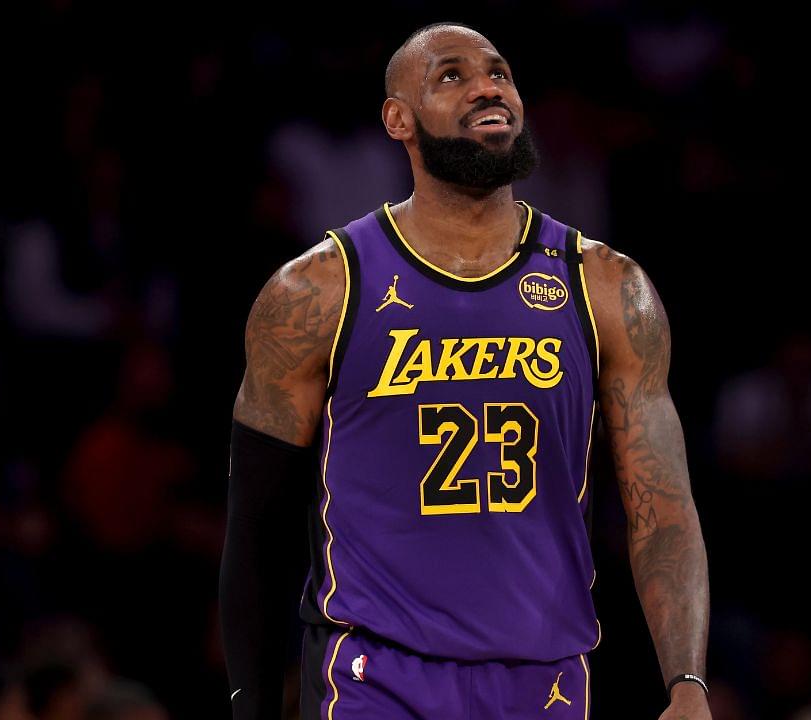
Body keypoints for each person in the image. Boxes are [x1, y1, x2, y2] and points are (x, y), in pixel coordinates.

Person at [217, 20, 711, 720]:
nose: (488, 87)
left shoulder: (606, 287)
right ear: (398, 118)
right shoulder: (318, 292)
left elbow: (661, 510)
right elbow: (257, 528)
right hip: (371, 673)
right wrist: (251, 704)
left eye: (501, 73)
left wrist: (686, 683)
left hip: (544, 678)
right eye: (452, 75)